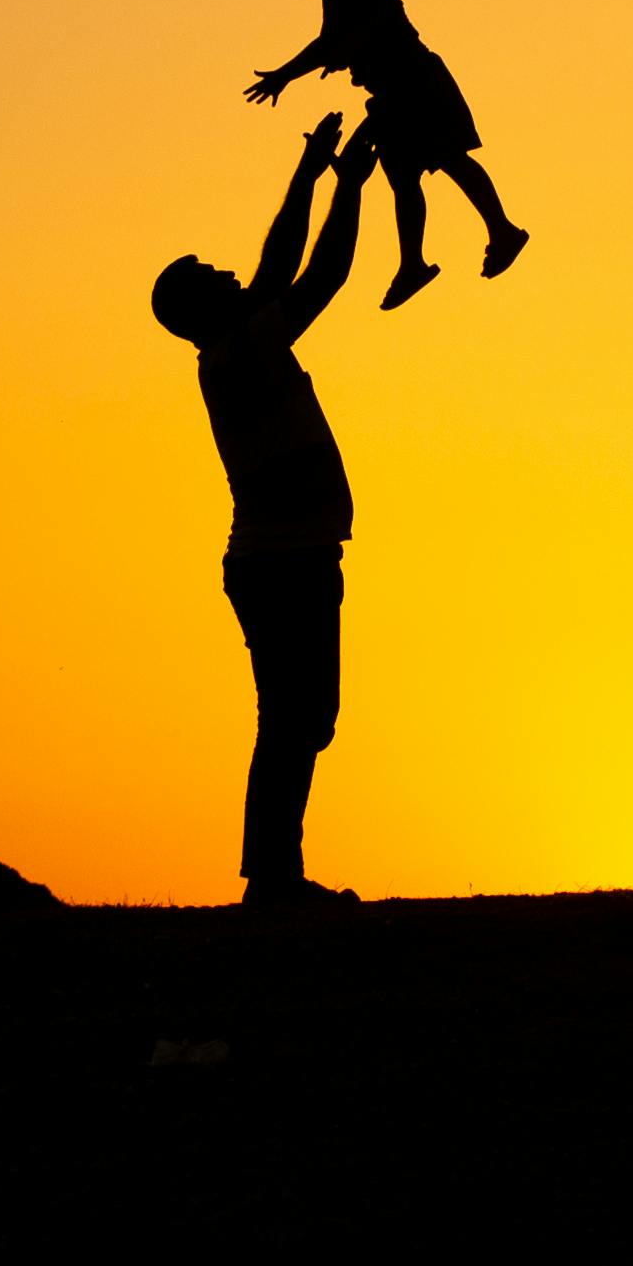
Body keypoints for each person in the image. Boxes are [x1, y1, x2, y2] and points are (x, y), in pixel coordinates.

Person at [152, 114, 384, 907]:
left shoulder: (241, 346)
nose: (230, 275)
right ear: (198, 309)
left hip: (290, 557)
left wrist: (324, 174)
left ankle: (275, 875)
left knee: (301, 716)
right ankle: (272, 879)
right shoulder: (240, 353)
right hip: (283, 562)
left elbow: (294, 267)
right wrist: (331, 178)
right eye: (213, 276)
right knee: (297, 716)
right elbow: (304, 269)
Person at [244, 0, 530, 309]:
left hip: (417, 85)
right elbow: (333, 44)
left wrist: (297, 70)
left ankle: (502, 230)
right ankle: (413, 263)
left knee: (452, 161)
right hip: (392, 96)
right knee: (403, 179)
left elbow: (353, 36)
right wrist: (313, 63)